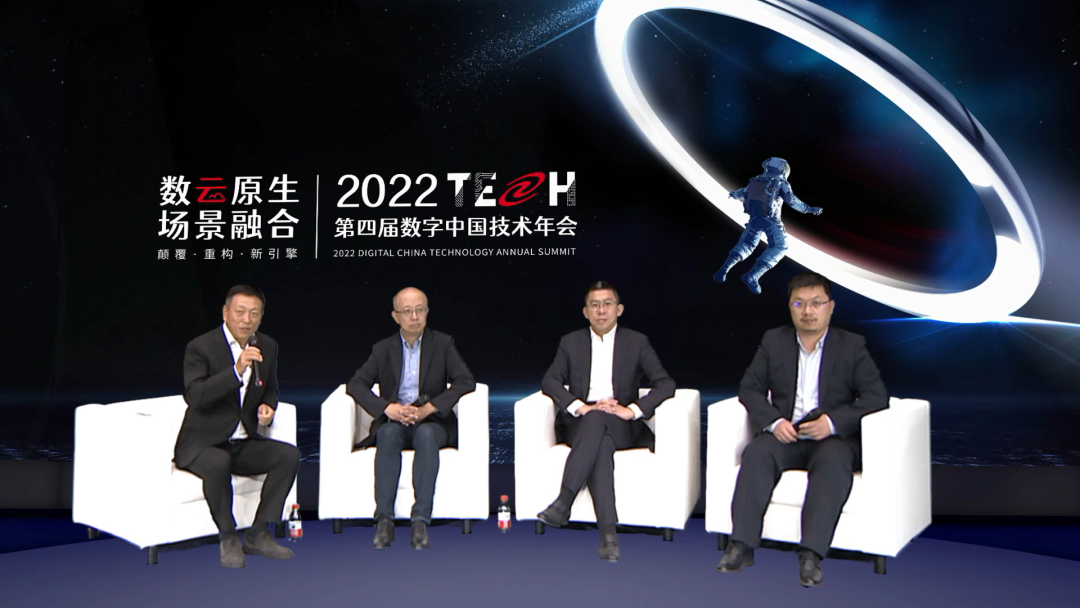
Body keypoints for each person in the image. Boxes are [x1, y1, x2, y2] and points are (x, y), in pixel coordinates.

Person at [717, 272, 888, 587]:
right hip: (787, 434)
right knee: (756, 452)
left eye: (816, 303)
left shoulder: (851, 345)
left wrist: (832, 423)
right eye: (799, 303)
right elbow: (750, 389)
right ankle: (740, 545)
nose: (808, 311)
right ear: (790, 307)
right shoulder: (774, 340)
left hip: (831, 439)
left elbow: (876, 397)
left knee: (834, 462)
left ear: (830, 307)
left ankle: (810, 555)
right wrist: (775, 422)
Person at [537, 281, 676, 562]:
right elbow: (550, 381)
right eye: (595, 305)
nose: (601, 311)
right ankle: (608, 535)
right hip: (582, 424)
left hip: (621, 425)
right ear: (586, 312)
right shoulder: (571, 342)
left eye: (607, 304)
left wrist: (632, 410)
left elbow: (666, 383)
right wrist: (581, 407)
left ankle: (564, 502)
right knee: (599, 443)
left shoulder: (637, 342)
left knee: (599, 424)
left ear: (619, 309)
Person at [176, 284, 301, 568]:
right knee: (218, 461)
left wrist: (268, 406)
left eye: (254, 313)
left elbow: (270, 388)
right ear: (225, 312)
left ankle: (258, 534)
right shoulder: (201, 347)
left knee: (288, 455)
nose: (247, 320)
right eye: (240, 312)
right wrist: (237, 370)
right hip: (202, 444)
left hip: (242, 441)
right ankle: (229, 537)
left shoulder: (267, 346)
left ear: (261, 316)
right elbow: (195, 396)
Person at [347, 287, 476, 550]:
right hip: (396, 421)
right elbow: (356, 385)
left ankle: (420, 520)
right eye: (407, 311)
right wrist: (388, 408)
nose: (414, 317)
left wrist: (430, 408)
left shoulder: (442, 343)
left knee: (426, 435)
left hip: (432, 422)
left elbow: (466, 381)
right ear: (396, 316)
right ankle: (384, 520)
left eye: (419, 310)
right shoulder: (383, 349)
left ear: (427, 312)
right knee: (387, 434)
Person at [713, 157, 824, 294]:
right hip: (771, 221)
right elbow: (792, 201)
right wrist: (809, 209)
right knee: (780, 246)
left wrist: (733, 194)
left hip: (754, 219)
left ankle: (724, 269)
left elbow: (742, 192)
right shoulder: (780, 183)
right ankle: (753, 275)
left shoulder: (756, 181)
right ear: (782, 169)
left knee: (746, 244)